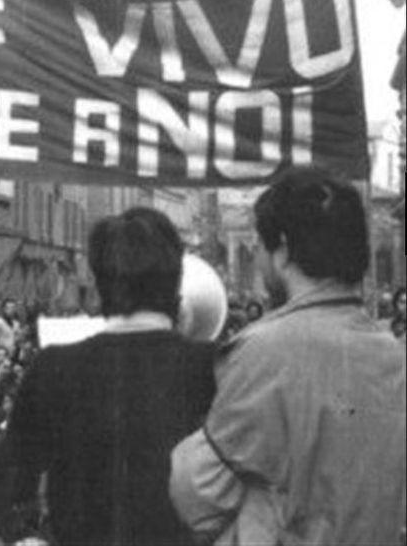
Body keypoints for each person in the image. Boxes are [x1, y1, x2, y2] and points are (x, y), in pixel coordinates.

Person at [170, 167, 407, 545]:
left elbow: (196, 491)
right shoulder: (395, 356)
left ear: (281, 247)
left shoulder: (262, 350)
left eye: (261, 247)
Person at [0, 207, 216, 545]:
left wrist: (24, 535)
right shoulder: (211, 366)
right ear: (177, 280)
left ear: (98, 283)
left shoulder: (53, 367)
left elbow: (1, 476)